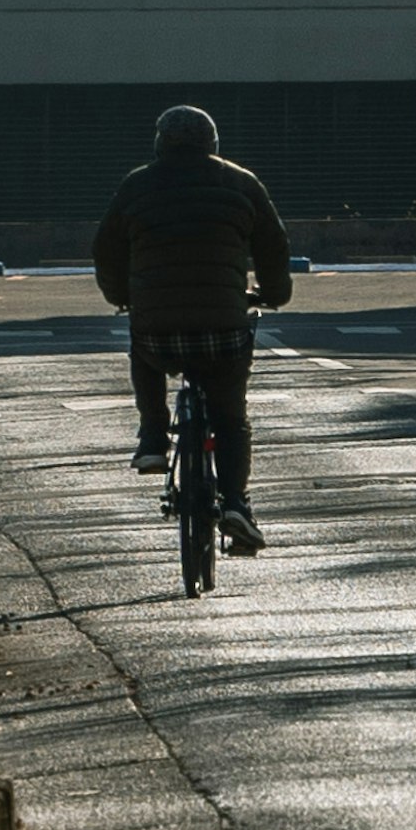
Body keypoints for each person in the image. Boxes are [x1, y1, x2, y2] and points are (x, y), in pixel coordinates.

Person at [91, 105, 292, 551]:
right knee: (231, 417)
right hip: (223, 329)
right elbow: (274, 245)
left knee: (141, 347)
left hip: (158, 332)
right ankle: (237, 503)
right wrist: (274, 294)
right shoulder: (242, 183)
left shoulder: (136, 185)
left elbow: (105, 248)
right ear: (212, 143)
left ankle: (152, 438)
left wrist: (121, 295)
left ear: (160, 144)